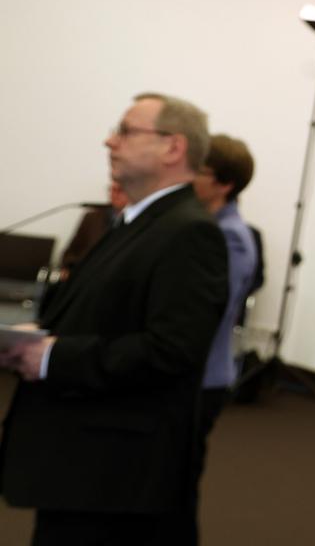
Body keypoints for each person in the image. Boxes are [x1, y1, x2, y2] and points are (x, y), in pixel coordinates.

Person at [0, 92, 228, 545]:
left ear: (173, 147)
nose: (110, 142)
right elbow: (106, 317)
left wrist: (52, 358)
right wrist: (36, 336)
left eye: (125, 130)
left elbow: (172, 350)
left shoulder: (189, 233)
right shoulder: (134, 223)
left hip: (117, 476)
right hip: (86, 463)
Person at [189, 133, 258, 539]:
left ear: (224, 184)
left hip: (202, 380)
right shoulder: (209, 226)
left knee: (176, 489)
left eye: (198, 170)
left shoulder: (230, 236)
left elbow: (206, 313)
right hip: (196, 375)